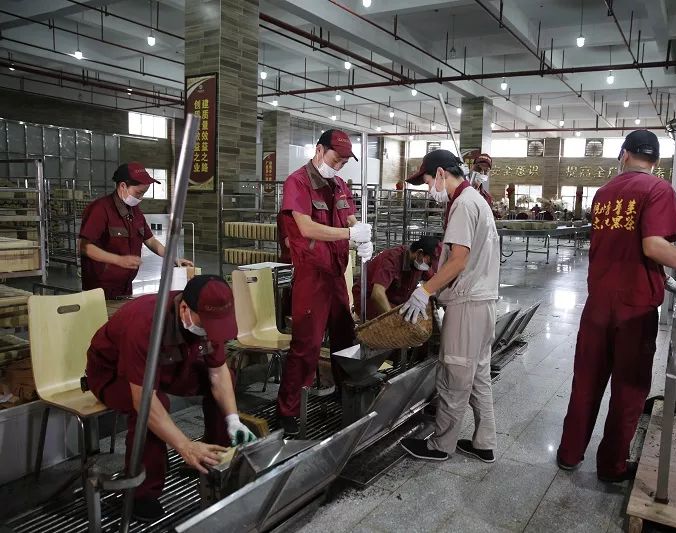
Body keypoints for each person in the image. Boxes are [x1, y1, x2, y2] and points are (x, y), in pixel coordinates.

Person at [556, 130, 676, 482]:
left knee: (586, 382)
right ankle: (611, 466)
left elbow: (623, 248)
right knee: (629, 390)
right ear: (656, 162)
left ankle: (570, 454)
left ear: (623, 154)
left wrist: (664, 279)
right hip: (634, 310)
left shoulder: (604, 194)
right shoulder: (658, 189)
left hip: (598, 305)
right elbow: (652, 246)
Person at [86, 275, 255, 522]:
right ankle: (141, 493)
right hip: (112, 374)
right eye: (206, 326)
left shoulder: (208, 318)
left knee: (226, 375)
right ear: (185, 309)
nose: (210, 332)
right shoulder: (146, 324)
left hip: (169, 364)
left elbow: (217, 373)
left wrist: (232, 419)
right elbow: (144, 401)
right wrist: (184, 446)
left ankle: (213, 461)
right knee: (152, 408)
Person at [398, 149, 500, 463]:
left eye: (429, 181)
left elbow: (458, 260)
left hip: (468, 304)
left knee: (455, 375)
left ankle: (441, 446)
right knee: (478, 375)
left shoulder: (464, 204)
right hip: (483, 303)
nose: (430, 189)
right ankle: (484, 442)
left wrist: (424, 290)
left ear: (441, 174)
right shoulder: (475, 201)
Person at [277, 129, 373, 435]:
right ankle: (289, 410)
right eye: (337, 158)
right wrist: (349, 235)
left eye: (345, 160)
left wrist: (363, 232)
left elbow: (349, 217)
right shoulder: (298, 182)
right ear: (319, 150)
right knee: (306, 345)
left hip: (336, 274)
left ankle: (346, 394)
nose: (340, 165)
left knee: (345, 337)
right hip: (311, 277)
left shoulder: (339, 184)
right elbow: (305, 228)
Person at [79, 162, 193, 298]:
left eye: (143, 193)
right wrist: (118, 260)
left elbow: (150, 240)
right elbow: (84, 247)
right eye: (138, 193)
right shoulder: (100, 209)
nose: (140, 198)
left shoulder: (134, 211)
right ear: (123, 186)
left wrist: (173, 258)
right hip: (99, 288)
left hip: (126, 285)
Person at [352, 235, 440, 320]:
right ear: (419, 253)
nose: (429, 267)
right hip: (368, 299)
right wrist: (393, 319)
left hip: (394, 301)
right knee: (401, 325)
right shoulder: (392, 259)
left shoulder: (420, 262)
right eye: (429, 264)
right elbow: (377, 293)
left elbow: (434, 281)